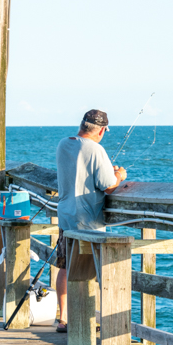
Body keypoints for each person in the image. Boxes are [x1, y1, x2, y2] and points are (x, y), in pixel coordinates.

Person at [54, 109, 127, 332]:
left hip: (66, 215)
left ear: (82, 125)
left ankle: (64, 318)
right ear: (102, 130)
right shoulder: (96, 149)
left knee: (66, 267)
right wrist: (120, 175)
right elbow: (107, 185)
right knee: (94, 270)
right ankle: (89, 320)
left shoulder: (63, 144)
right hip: (88, 221)